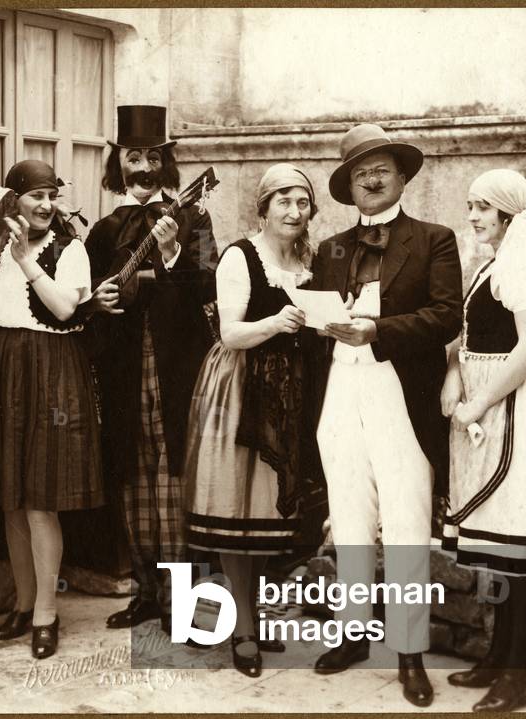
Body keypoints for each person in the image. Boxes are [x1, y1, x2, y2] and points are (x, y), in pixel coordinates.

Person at [311, 124, 463, 707]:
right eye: (358, 173)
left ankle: (408, 651)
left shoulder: (433, 239)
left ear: (401, 177)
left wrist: (378, 330)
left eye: (380, 170)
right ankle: (353, 632)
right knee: (348, 515)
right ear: (348, 187)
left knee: (404, 522)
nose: (370, 180)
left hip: (400, 392)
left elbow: (446, 316)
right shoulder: (331, 248)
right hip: (341, 390)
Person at [0, 159, 104, 660]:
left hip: (50, 370)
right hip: (0, 368)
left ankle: (46, 611)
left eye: (51, 196)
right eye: (35, 196)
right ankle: (22, 603)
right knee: (11, 496)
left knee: (40, 497)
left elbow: (65, 308)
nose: (45, 205)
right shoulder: (0, 250)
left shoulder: (72, 249)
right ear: (13, 202)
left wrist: (24, 260)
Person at [183, 163, 325, 677]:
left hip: (292, 390)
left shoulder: (310, 260)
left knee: (267, 512)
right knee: (238, 512)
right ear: (262, 208)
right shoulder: (241, 257)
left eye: (302, 202)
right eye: (283, 201)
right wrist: (275, 321)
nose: (293, 211)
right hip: (242, 388)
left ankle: (252, 617)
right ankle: (243, 628)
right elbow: (230, 334)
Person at [442, 169, 526, 713]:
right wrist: (454, 374)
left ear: (509, 214)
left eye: (483, 208)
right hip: (490, 408)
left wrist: (477, 401)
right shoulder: (493, 264)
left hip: (516, 406)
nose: (473, 217)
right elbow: (469, 340)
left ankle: (517, 677)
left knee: (516, 538)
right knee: (500, 539)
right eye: (470, 206)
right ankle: (498, 656)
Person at [85, 105, 218, 633]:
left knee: (176, 479)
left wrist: (170, 253)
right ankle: (146, 591)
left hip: (175, 365)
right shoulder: (103, 228)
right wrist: (99, 301)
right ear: (119, 163)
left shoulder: (193, 217)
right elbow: (85, 300)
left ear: (166, 164)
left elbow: (208, 286)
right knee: (134, 477)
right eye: (132, 156)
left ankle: (184, 602)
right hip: (122, 368)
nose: (142, 167)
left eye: (152, 157)